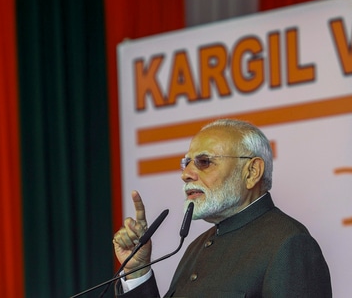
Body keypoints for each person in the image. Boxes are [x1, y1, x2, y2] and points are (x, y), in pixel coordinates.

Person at [112, 119, 332, 297]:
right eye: (186, 162)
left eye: (204, 162)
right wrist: (137, 271)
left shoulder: (289, 243)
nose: (186, 174)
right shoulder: (196, 247)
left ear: (252, 171)